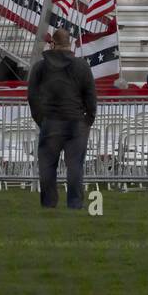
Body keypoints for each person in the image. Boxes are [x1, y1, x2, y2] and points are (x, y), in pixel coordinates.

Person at [27, 28, 97, 209]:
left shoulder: (41, 67)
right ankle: (74, 203)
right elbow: (90, 95)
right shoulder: (82, 66)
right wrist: (88, 120)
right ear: (70, 44)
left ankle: (49, 203)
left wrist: (41, 120)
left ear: (53, 43)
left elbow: (32, 96)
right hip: (76, 120)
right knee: (75, 166)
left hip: (51, 120)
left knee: (47, 165)